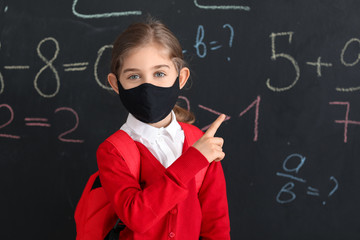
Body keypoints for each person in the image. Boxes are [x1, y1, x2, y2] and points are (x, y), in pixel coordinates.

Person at [96, 17, 230, 239]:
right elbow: (136, 216)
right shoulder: (114, 151)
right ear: (115, 84)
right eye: (134, 76)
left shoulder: (200, 141)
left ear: (181, 77)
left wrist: (199, 154)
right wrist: (194, 160)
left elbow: (216, 224)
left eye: (159, 74)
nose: (147, 87)